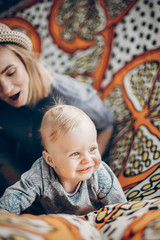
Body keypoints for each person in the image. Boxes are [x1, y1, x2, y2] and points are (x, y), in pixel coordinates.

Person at [0, 23, 114, 196]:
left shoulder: (71, 97)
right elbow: (4, 149)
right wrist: (18, 187)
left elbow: (106, 124)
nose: (6, 89)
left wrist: (84, 169)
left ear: (26, 62)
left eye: (11, 73)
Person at [0, 104, 126, 215]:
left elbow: (121, 208)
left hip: (96, 220)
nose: (87, 159)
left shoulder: (100, 176)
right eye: (75, 154)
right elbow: (17, 195)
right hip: (58, 225)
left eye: (92, 149)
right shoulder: (40, 174)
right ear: (50, 160)